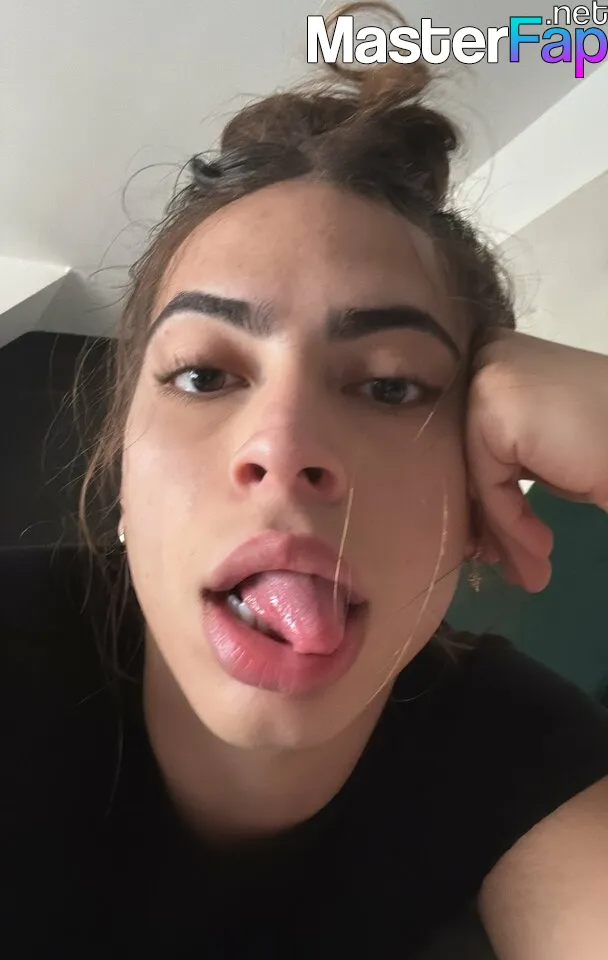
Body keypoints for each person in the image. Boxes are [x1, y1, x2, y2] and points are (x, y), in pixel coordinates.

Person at [2, 4, 608, 956]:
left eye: (391, 385)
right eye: (204, 376)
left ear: (479, 503)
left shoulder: (533, 757)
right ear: (123, 474)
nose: (282, 445)